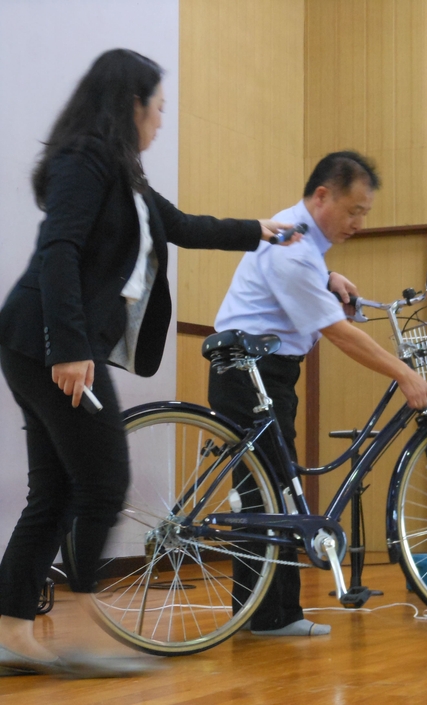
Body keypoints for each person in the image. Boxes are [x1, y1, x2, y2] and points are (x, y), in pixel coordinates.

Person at [0, 48, 298, 677]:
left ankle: (13, 634)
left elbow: (185, 225)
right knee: (103, 483)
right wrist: (69, 348)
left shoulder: (122, 178)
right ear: (130, 103)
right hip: (48, 342)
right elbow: (58, 250)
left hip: (35, 343)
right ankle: (83, 634)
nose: (161, 120)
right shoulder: (84, 159)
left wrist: (259, 229)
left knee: (56, 492)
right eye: (158, 107)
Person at [209, 150, 427, 637]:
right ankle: (271, 618)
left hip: (260, 369)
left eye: (364, 214)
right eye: (353, 211)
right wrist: (404, 374)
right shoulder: (293, 249)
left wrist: (326, 276)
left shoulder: (301, 239)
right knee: (271, 493)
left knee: (267, 491)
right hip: (253, 372)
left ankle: (262, 615)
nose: (358, 224)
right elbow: (337, 332)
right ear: (322, 196)